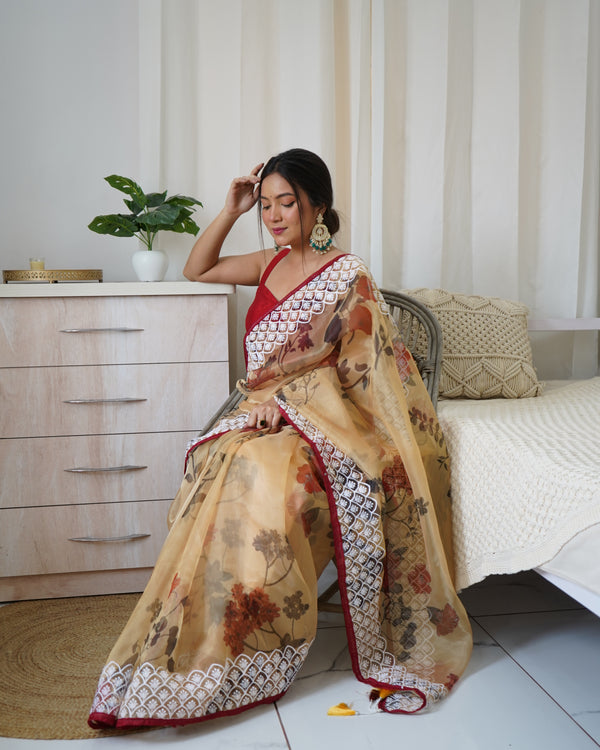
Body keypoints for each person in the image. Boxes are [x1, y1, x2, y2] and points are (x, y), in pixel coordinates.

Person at [88, 148, 472, 729]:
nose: (273, 215)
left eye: (285, 202)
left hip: (324, 424)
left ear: (318, 205)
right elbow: (198, 269)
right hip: (255, 415)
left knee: (265, 479)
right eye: (265, 205)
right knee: (229, 470)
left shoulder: (347, 273)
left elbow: (360, 370)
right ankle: (206, 634)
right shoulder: (265, 264)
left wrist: (289, 403)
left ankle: (247, 642)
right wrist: (228, 209)